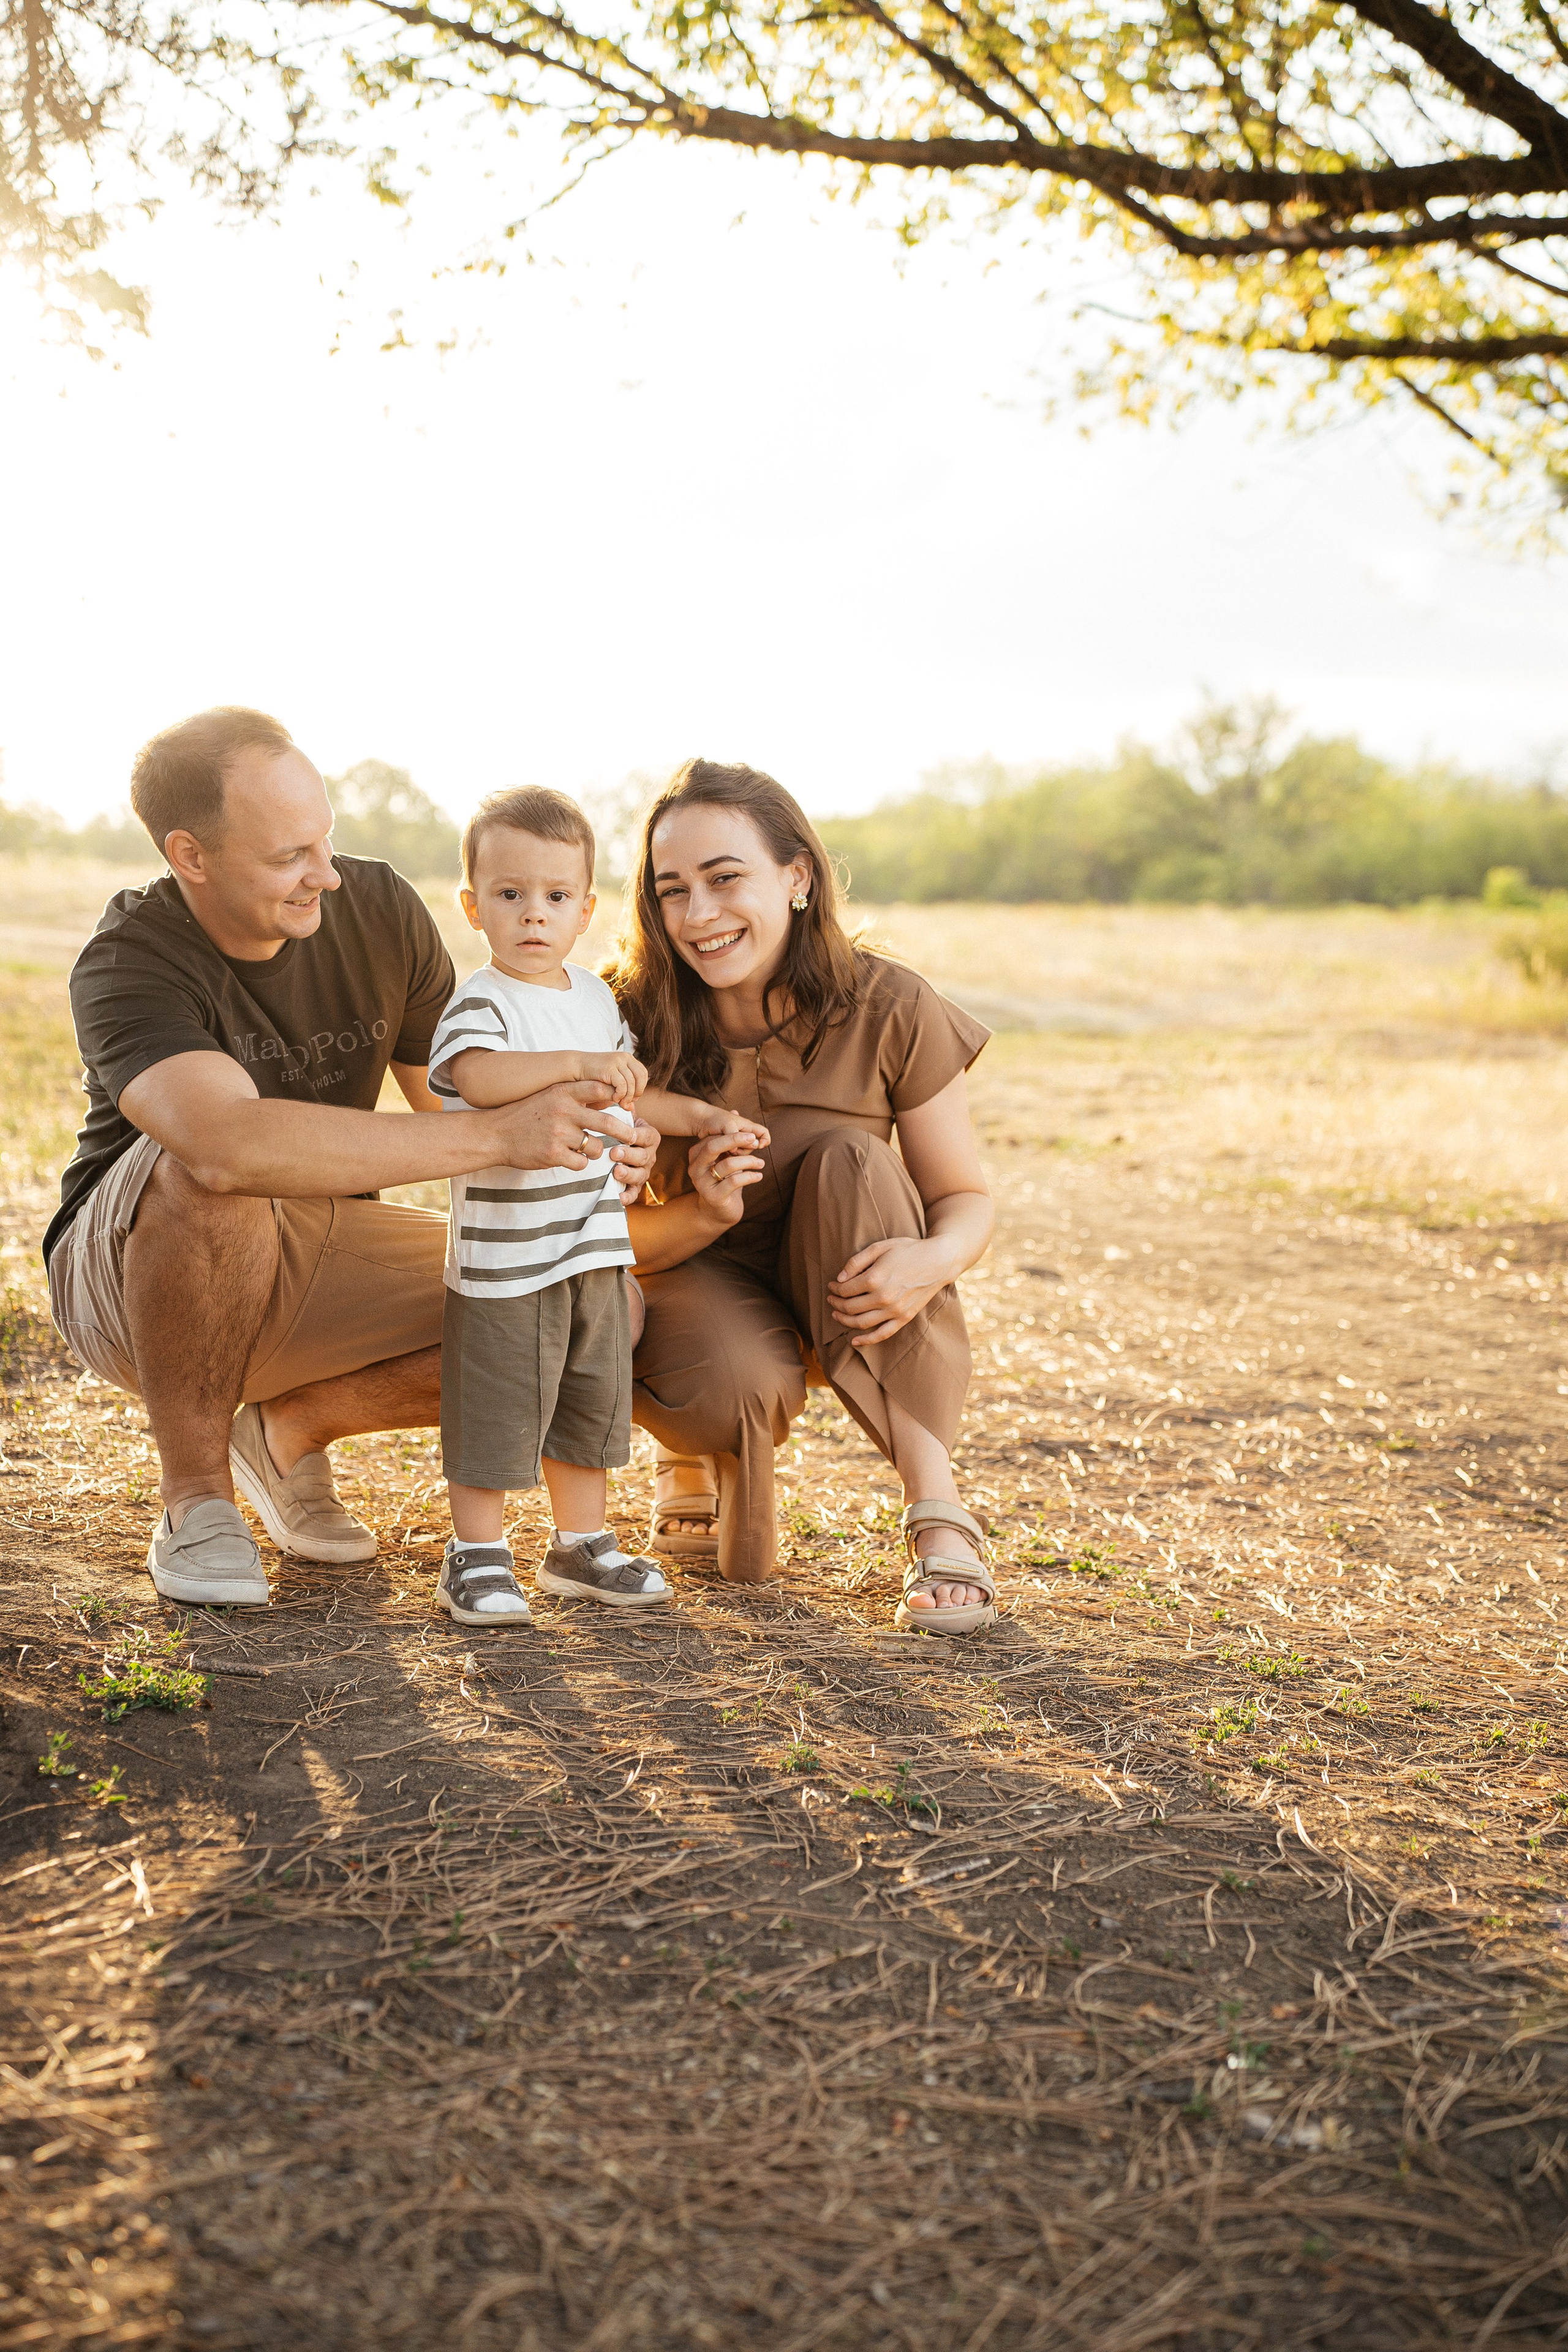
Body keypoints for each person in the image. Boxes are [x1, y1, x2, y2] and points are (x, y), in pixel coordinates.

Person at [43, 707, 657, 1610]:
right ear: (191, 855)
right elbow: (225, 1144)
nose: (325, 875)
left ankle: (288, 1431)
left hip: (321, 1241)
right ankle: (198, 1497)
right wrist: (494, 1137)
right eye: (290, 856)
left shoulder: (373, 908)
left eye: (325, 841)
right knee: (216, 1174)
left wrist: (594, 1138)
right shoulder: (128, 960)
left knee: (604, 1307)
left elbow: (455, 1102)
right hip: (135, 1275)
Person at [606, 758, 1000, 1635]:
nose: (699, 916)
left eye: (724, 878)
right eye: (673, 892)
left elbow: (964, 1194)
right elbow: (607, 1237)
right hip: (699, 1280)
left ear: (797, 877)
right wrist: (699, 1208)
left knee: (852, 1162)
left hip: (850, 1275)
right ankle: (690, 1446)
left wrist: (932, 1261)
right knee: (726, 1380)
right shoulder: (621, 1017)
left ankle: (936, 1505)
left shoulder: (891, 1002)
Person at [427, 786, 766, 1626]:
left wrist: (703, 1119)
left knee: (588, 1396)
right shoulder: (485, 1002)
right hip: (506, 1261)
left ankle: (580, 1545)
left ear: (584, 911)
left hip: (590, 1253)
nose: (532, 916)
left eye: (554, 897)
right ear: (474, 906)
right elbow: (476, 1079)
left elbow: (631, 1096)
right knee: (497, 1403)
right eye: (509, 895)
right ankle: (475, 1554)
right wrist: (576, 1063)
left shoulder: (592, 1000)